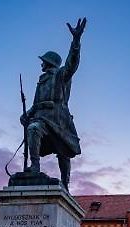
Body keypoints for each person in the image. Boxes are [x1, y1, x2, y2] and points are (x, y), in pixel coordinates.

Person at [21, 18, 87, 190]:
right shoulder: (41, 80)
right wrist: (27, 113)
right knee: (33, 129)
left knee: (63, 152)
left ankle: (65, 183)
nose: (41, 63)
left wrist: (76, 41)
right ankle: (35, 167)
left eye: (43, 60)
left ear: (49, 62)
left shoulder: (61, 75)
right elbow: (37, 103)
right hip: (41, 118)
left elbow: (72, 63)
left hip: (58, 119)